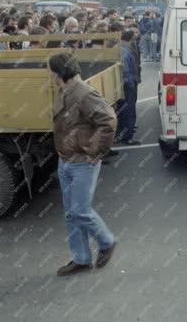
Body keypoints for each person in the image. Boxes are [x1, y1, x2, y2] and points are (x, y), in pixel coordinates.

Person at [49, 52, 117, 276]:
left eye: (51, 72)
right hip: (65, 160)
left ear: (58, 74)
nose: (50, 75)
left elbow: (108, 121)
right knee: (71, 214)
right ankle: (81, 258)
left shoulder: (84, 93)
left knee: (80, 211)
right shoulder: (64, 90)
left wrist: (97, 151)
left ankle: (106, 242)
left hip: (82, 163)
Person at [115, 30, 140, 145]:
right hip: (128, 84)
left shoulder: (118, 47)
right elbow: (124, 70)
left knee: (122, 110)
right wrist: (130, 83)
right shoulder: (125, 50)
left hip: (122, 84)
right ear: (130, 39)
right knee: (129, 110)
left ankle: (121, 134)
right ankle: (128, 136)